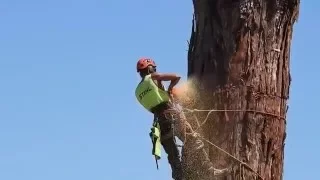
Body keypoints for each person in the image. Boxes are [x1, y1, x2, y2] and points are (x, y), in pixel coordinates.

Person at [134, 58, 216, 180]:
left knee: (173, 158)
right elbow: (176, 77)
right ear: (150, 68)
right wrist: (170, 88)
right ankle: (211, 171)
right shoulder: (153, 77)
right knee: (193, 140)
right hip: (171, 115)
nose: (155, 70)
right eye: (153, 68)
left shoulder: (137, 91)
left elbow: (151, 107)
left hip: (158, 124)